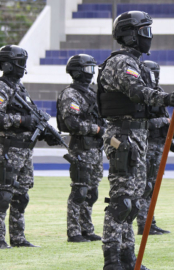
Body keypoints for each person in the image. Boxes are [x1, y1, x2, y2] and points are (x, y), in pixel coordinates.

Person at [97, 11, 174, 270]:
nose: (150, 37)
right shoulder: (122, 62)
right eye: (145, 31)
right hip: (122, 136)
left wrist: (171, 98)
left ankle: (128, 259)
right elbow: (135, 91)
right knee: (121, 201)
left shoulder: (137, 64)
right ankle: (112, 261)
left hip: (137, 136)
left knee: (134, 202)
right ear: (131, 35)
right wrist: (165, 99)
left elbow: (150, 97)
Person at [0, 45, 59, 249]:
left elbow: (33, 116)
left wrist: (45, 131)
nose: (23, 67)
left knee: (22, 196)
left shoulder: (18, 87)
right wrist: (22, 120)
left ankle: (18, 238)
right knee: (4, 195)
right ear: (8, 64)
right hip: (9, 149)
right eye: (19, 62)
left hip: (25, 150)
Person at [57, 54, 106, 243]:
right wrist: (98, 129)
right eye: (88, 69)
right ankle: (74, 231)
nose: (91, 73)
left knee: (92, 192)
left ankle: (87, 229)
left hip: (95, 149)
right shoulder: (71, 94)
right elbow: (72, 123)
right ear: (77, 72)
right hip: (81, 148)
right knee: (80, 191)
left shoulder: (91, 93)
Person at [136, 60, 170, 236]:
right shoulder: (141, 93)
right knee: (146, 186)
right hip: (147, 145)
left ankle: (151, 222)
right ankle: (144, 224)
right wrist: (164, 122)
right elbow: (141, 123)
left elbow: (167, 118)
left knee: (153, 186)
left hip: (159, 145)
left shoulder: (159, 93)